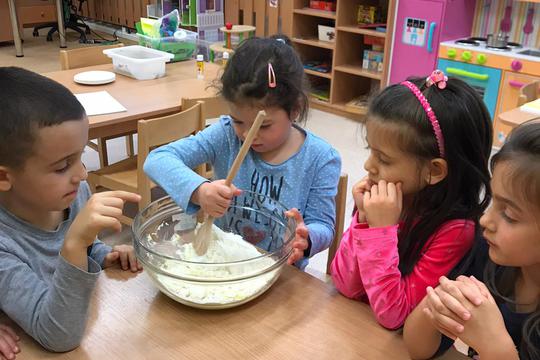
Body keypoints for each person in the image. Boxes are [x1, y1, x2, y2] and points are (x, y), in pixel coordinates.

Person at [144, 35, 341, 269]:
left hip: (280, 274)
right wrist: (199, 190)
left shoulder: (320, 159)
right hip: (223, 265)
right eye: (238, 121)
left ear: (295, 109)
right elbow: (156, 160)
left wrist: (306, 239)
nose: (248, 134)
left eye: (263, 126)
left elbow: (323, 226)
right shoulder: (226, 135)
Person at [330, 70, 493, 329]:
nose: (368, 165)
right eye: (370, 151)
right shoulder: (388, 199)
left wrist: (381, 231)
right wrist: (362, 220)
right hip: (354, 329)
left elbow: (394, 317)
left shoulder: (455, 231)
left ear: (434, 171)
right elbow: (345, 285)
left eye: (383, 159)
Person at [0, 67, 141, 352]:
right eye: (63, 166)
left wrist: (103, 254)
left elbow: (86, 250)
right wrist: (75, 243)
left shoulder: (71, 194)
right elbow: (58, 335)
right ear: (4, 177)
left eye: (80, 157)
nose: (82, 174)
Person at [404, 121, 540, 360]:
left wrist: (495, 345)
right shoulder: (488, 253)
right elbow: (420, 350)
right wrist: (435, 308)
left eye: (508, 215)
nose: (485, 220)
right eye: (492, 202)